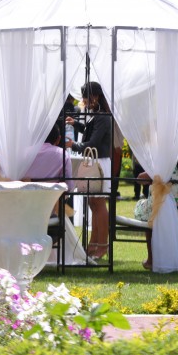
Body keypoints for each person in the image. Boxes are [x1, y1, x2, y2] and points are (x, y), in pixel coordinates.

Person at [67, 82, 113, 260]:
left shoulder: (103, 116)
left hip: (99, 162)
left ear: (95, 96)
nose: (84, 101)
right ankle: (94, 243)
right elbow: (89, 131)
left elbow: (93, 142)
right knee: (93, 204)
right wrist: (77, 124)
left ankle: (103, 245)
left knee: (99, 204)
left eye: (86, 97)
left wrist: (74, 145)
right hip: (93, 161)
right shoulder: (96, 115)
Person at [134, 150, 178, 270]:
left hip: (171, 216)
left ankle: (151, 259)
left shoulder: (162, 170)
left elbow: (139, 179)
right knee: (154, 212)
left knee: (150, 217)